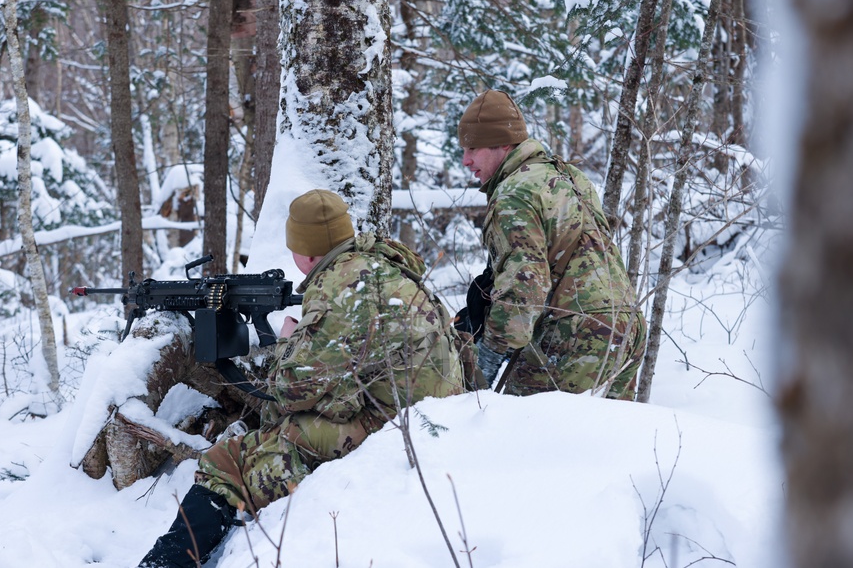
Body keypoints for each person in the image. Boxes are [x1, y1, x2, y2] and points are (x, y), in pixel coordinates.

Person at [139, 189, 465, 567]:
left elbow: (292, 391)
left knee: (226, 462)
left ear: (307, 251)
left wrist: (287, 344)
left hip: (395, 433)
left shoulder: (342, 290)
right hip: (431, 416)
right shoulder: (380, 264)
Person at [456, 89, 645, 399]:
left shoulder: (513, 195)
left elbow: (524, 287)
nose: (466, 160)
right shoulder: (568, 176)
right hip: (627, 326)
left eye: (473, 148)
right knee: (608, 443)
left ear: (504, 143)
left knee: (526, 438)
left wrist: (487, 359)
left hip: (576, 334)